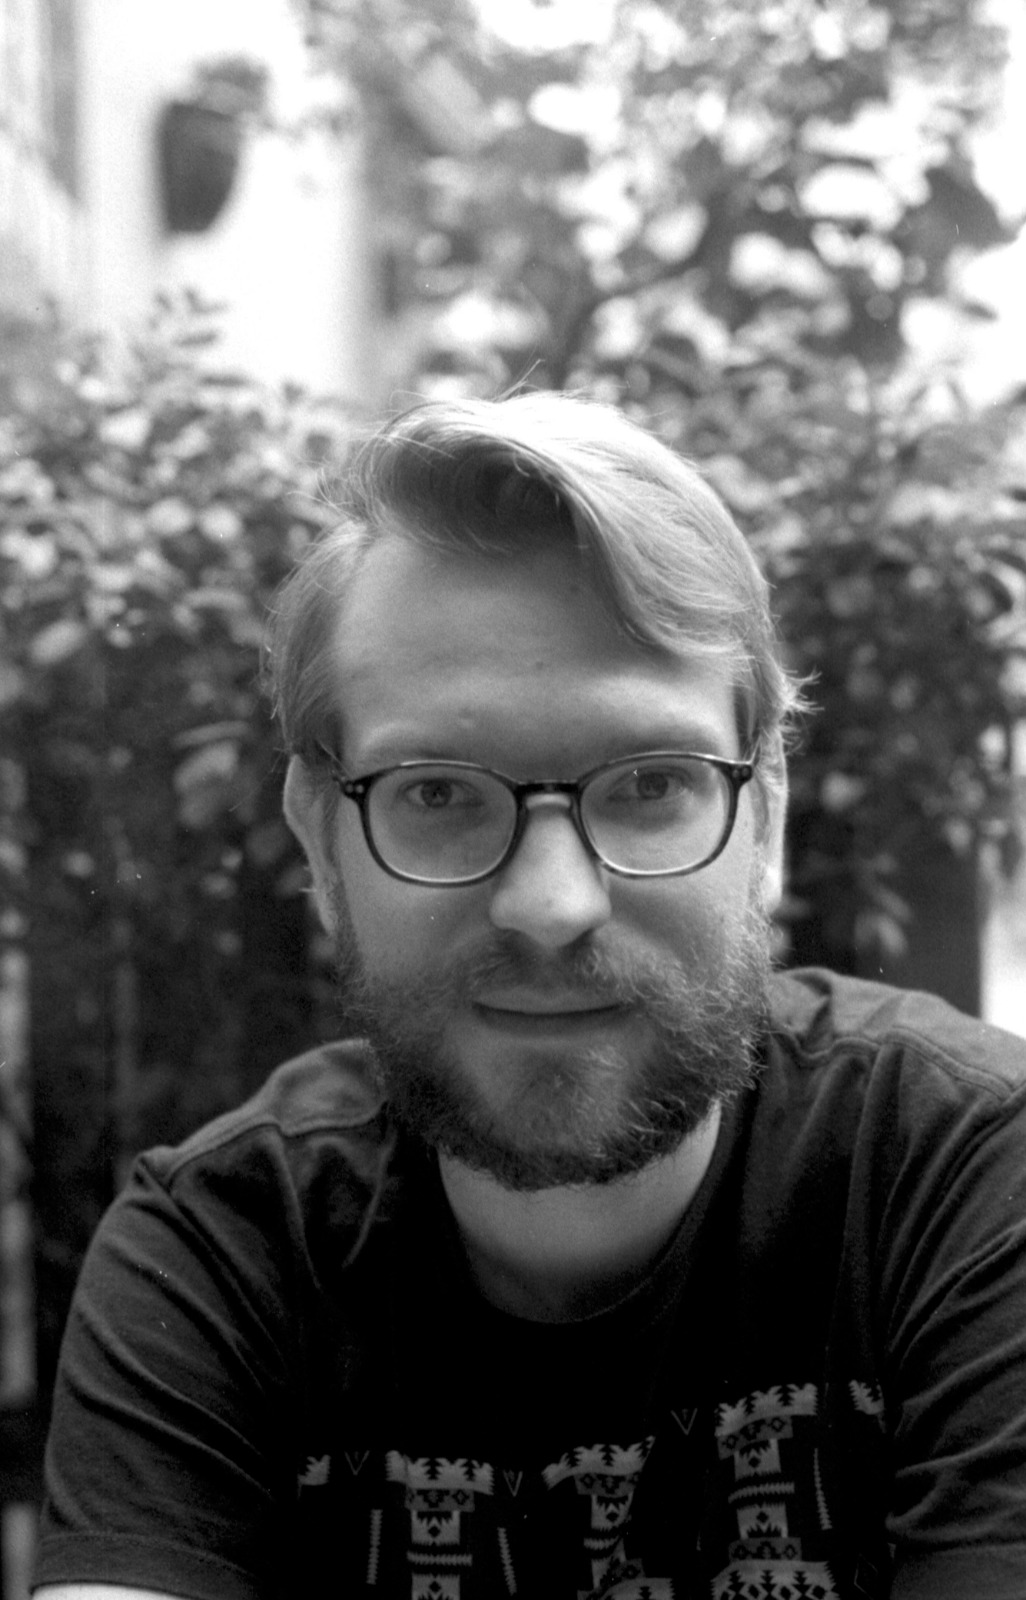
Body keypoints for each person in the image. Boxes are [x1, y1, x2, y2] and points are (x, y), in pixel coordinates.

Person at [32, 392, 1026, 1600]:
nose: (552, 904)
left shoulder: (973, 1179)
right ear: (318, 838)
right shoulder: (214, 1263)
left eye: (651, 783)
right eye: (439, 793)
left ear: (761, 816)